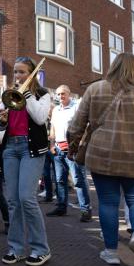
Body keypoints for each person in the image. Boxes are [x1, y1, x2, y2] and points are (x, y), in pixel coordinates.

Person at [67, 53, 134, 266]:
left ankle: (111, 251)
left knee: (108, 203)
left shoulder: (95, 90)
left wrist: (73, 147)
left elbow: (76, 124)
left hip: (102, 155)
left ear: (112, 66)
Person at [0, 56, 51, 266]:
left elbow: (39, 118)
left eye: (22, 72)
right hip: (10, 147)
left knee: (26, 198)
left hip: (31, 148)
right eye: (16, 72)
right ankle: (16, 248)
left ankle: (41, 249)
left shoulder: (42, 94)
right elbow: (2, 128)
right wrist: (1, 121)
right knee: (12, 200)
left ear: (32, 74)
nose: (18, 76)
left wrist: (27, 94)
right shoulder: (9, 96)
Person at [46, 85, 92, 221]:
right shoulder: (55, 110)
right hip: (58, 150)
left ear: (69, 94)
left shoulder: (76, 107)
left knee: (78, 180)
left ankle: (85, 210)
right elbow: (52, 128)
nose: (60, 97)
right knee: (60, 180)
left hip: (72, 150)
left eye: (63, 94)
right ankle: (61, 207)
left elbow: (86, 127)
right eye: (58, 94)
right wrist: (52, 145)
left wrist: (79, 145)